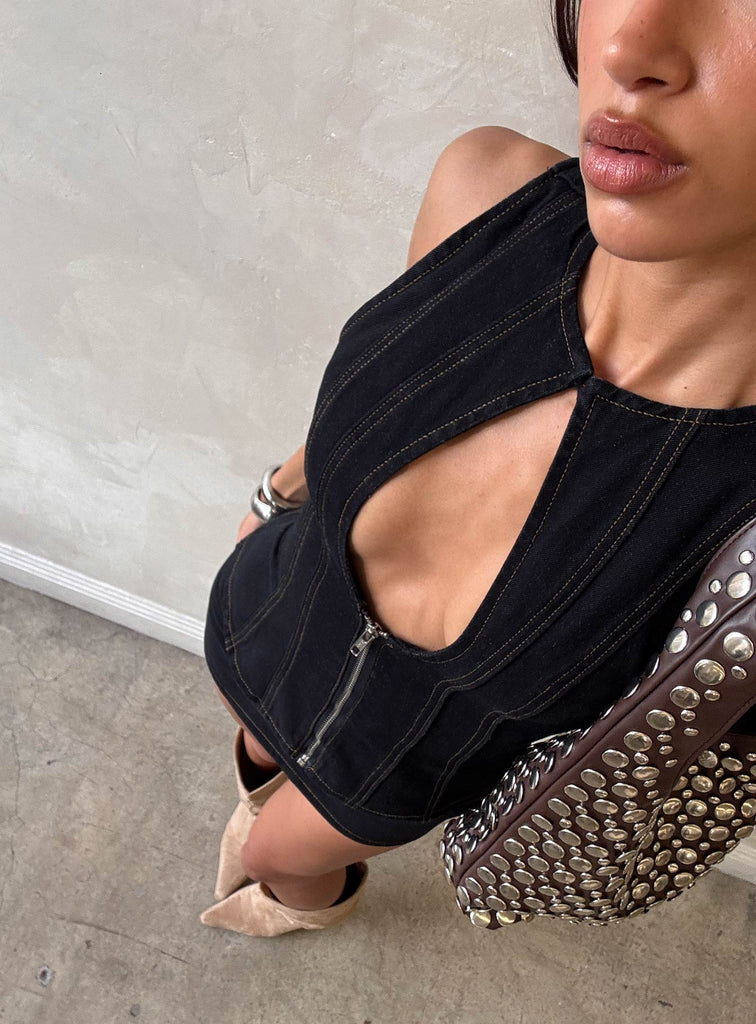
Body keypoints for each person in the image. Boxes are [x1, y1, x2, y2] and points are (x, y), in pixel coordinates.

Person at [200, 0, 756, 938]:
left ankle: (302, 901)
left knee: (275, 856)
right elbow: (377, 395)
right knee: (255, 742)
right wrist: (278, 494)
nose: (628, 47)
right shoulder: (488, 189)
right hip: (270, 603)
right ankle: (262, 771)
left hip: (397, 766)